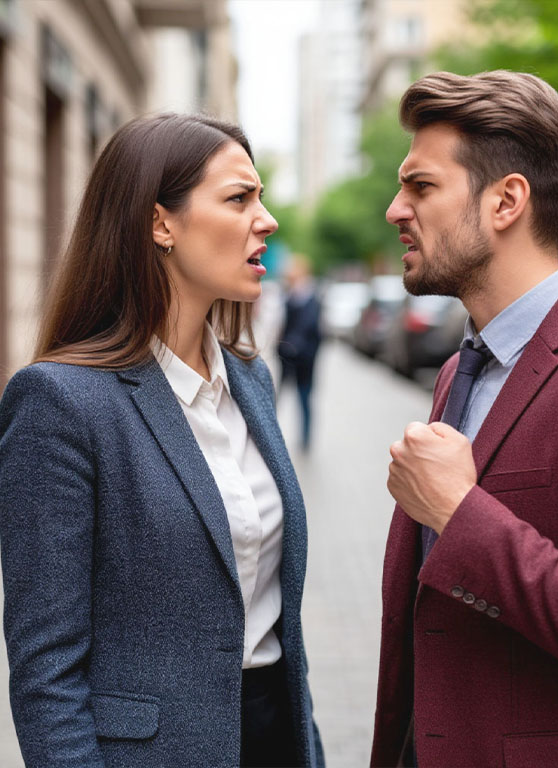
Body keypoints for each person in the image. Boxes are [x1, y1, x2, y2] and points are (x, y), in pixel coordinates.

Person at [371, 70, 558, 768]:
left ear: (507, 200)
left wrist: (462, 513)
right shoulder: (460, 369)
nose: (395, 209)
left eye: (421, 186)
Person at [0, 113, 324, 768]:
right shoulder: (60, 402)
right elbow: (46, 673)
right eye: (239, 198)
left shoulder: (251, 381)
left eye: (260, 197)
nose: (267, 220)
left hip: (276, 739)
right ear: (160, 223)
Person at [277, 256, 322, 450]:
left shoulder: (311, 298)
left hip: (305, 360)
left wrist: (297, 346)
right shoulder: (289, 296)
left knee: (304, 399)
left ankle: (305, 439)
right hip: (287, 358)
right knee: (277, 398)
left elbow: (312, 329)